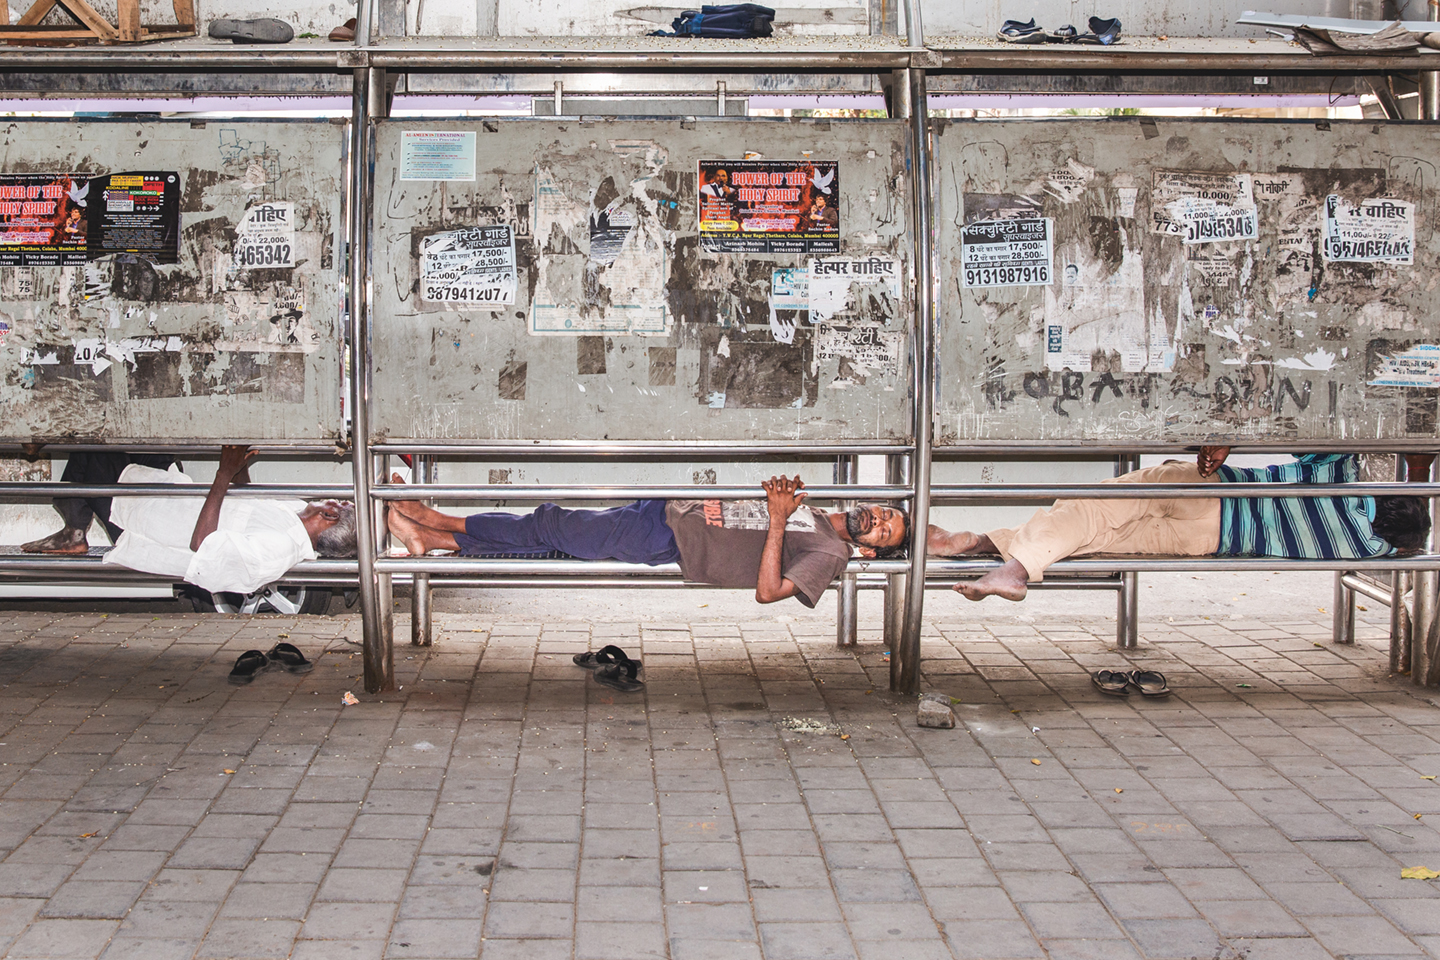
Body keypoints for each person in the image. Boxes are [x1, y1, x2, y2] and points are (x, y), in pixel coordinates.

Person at [929, 448, 1432, 602]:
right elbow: (1411, 519)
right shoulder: (1372, 542)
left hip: (1211, 488)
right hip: (1213, 542)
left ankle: (1009, 566)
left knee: (1090, 509)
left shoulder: (1340, 477)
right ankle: (990, 546)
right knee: (1097, 537)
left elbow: (1303, 430)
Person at [385, 475, 908, 607]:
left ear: (870, 551)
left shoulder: (832, 553)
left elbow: (769, 593)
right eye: (886, 514)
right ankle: (434, 544)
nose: (878, 522)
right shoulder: (815, 513)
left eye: (885, 533)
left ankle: (434, 517)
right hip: (665, 512)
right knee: (556, 543)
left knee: (550, 523)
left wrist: (776, 521)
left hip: (669, 540)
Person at [94, 444, 357, 595]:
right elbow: (248, 507)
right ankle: (73, 523)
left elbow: (203, 543)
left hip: (144, 523)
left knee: (96, 455)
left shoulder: (279, 546)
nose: (334, 498)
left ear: (329, 515)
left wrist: (224, 474)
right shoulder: (294, 515)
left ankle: (74, 528)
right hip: (170, 499)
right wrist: (239, 467)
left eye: (341, 502)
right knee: (145, 440)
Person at [21, 449, 178, 555]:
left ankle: (74, 533)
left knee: (96, 447)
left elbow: (31, 447)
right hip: (149, 499)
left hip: (154, 520)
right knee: (93, 443)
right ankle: (74, 533)